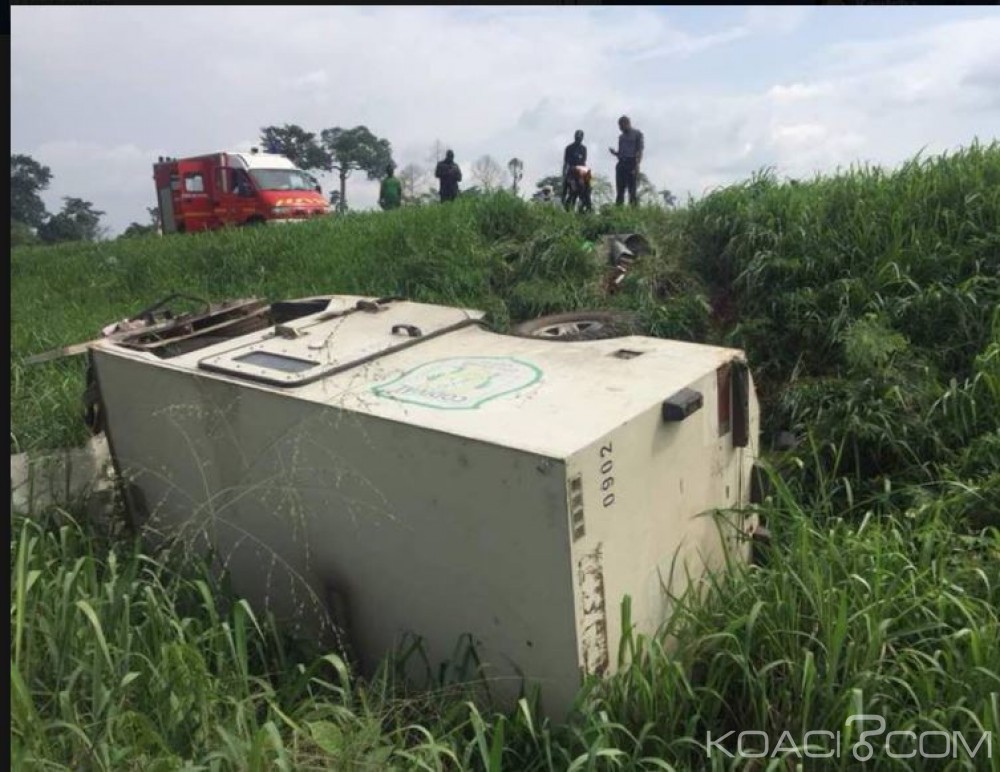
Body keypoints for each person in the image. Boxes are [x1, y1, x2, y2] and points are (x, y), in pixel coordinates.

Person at [609, 115, 644, 206]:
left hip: (631, 163)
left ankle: (633, 212)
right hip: (621, 164)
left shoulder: (637, 134)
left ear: (627, 123)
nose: (620, 128)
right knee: (620, 190)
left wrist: (637, 165)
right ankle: (619, 211)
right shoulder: (621, 137)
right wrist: (615, 153)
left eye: (621, 125)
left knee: (632, 191)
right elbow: (620, 153)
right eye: (619, 126)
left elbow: (639, 151)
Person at [561, 130, 587, 206]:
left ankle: (586, 207)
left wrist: (583, 176)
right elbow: (566, 163)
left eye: (580, 137)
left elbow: (583, 162)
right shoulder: (569, 148)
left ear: (582, 138)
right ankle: (568, 204)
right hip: (571, 171)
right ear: (574, 137)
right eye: (577, 137)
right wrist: (564, 175)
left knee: (587, 189)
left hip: (581, 171)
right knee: (573, 189)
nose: (578, 139)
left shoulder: (584, 149)